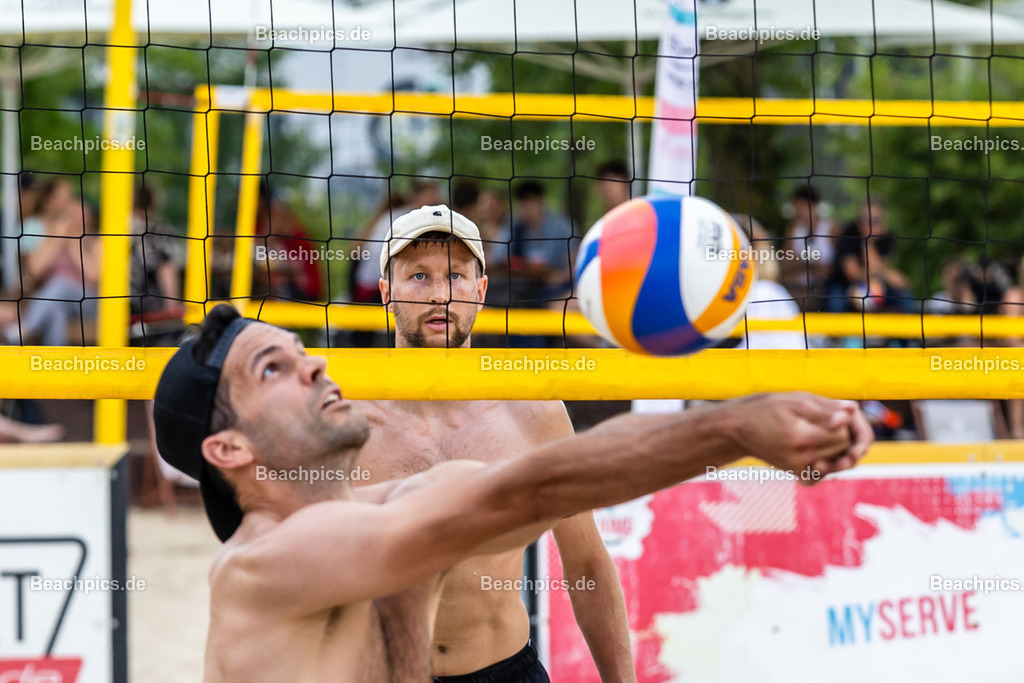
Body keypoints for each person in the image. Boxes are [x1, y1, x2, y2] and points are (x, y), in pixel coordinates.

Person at [152, 302, 871, 681]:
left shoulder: (385, 509)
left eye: (303, 351)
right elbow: (520, 495)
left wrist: (743, 436)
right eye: (274, 369)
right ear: (229, 449)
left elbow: (547, 486)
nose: (312, 366)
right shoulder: (268, 563)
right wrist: (735, 425)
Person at [357, 206, 633, 681]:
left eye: (457, 276)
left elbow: (586, 559)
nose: (441, 295)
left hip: (504, 670)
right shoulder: (344, 421)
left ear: (481, 292)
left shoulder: (533, 413)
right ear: (386, 292)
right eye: (418, 276)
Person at [824, 200, 913, 314]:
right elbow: (852, 274)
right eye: (865, 219)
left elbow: (881, 270)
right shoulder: (849, 233)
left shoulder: (888, 237)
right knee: (836, 301)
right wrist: (867, 240)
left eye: (875, 220)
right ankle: (834, 331)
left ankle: (912, 330)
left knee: (904, 295)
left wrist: (868, 242)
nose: (869, 224)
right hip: (844, 284)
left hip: (874, 285)